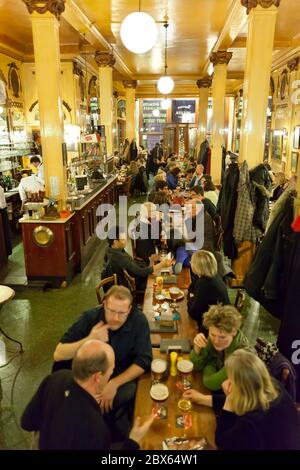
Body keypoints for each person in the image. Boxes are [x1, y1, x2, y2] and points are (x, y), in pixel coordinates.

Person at [52, 286, 152, 436]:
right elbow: (58, 354)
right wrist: (89, 339)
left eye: (122, 313)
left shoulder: (138, 321)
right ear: (104, 304)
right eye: (112, 311)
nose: (116, 318)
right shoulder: (89, 318)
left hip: (117, 373)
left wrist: (114, 383)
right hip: (86, 376)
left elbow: (144, 360)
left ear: (130, 309)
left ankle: (105, 425)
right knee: (88, 405)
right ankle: (93, 427)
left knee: (130, 390)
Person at [22, 339, 153, 450]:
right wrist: (133, 441)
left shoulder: (55, 378)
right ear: (97, 377)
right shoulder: (95, 428)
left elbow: (27, 422)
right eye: (111, 370)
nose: (111, 373)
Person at [183, 349, 300, 450]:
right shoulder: (273, 386)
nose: (227, 381)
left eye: (230, 378)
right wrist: (203, 398)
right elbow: (242, 400)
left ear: (242, 386)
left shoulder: (251, 422)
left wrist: (228, 401)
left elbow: (222, 442)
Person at [189, 304, 248, 391]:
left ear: (234, 333)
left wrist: (210, 364)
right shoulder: (216, 334)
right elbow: (196, 366)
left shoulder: (241, 357)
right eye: (212, 334)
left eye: (222, 337)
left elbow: (211, 382)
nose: (216, 341)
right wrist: (197, 348)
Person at [104, 226, 173, 291]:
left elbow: (133, 267)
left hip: (134, 278)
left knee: (164, 277)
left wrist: (151, 261)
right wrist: (161, 264)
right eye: (123, 239)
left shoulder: (110, 249)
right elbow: (140, 272)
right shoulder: (119, 258)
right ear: (115, 242)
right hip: (135, 285)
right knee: (166, 281)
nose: (125, 241)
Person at [188, 251, 230, 331]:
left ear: (198, 266)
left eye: (192, 262)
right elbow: (191, 289)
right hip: (221, 320)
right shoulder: (215, 276)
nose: (190, 263)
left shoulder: (205, 283)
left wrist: (190, 300)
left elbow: (193, 312)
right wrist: (192, 297)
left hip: (216, 328)